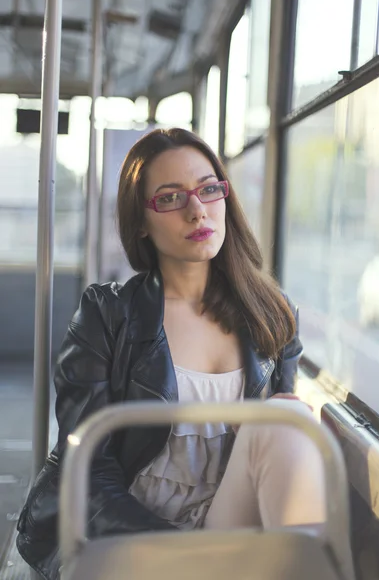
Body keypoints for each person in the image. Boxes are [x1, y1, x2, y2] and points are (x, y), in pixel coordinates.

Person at [16, 128, 324, 580]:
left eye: (208, 189)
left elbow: (274, 462)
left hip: (222, 530)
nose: (197, 210)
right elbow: (88, 471)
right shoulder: (109, 316)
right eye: (170, 198)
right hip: (124, 540)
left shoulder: (272, 317)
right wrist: (183, 556)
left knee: (289, 425)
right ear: (141, 220)